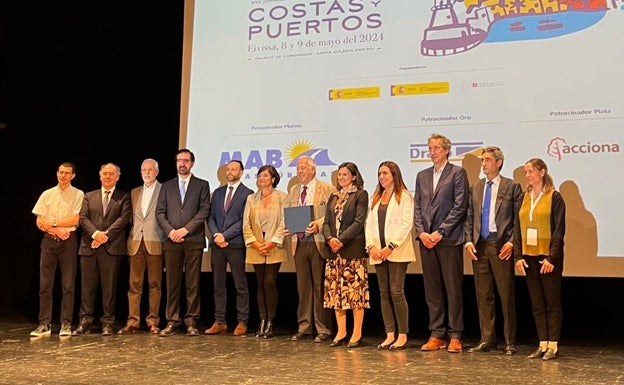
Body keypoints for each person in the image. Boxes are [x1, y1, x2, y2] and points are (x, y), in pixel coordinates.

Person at [414, 133, 469, 353]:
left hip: (449, 240)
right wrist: (421, 233)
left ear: (447, 150)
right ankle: (437, 333)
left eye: (436, 147)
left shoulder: (457, 173)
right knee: (432, 290)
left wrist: (440, 232)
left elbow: (460, 206)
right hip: (426, 241)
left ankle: (455, 335)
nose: (432, 151)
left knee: (453, 288)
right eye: (430, 148)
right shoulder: (422, 175)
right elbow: (417, 206)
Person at [464, 147, 522, 355]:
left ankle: (509, 342)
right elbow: (470, 217)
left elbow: (518, 218)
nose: (484, 164)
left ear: (498, 163)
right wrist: (468, 241)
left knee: (506, 295)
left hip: (501, 245)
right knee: (484, 295)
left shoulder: (512, 186)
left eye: (487, 160)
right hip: (480, 246)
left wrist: (512, 242)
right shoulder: (477, 187)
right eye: (482, 160)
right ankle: (487, 339)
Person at [514, 158, 566, 361]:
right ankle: (542, 343)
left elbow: (559, 230)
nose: (527, 175)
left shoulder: (555, 197)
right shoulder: (524, 197)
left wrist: (552, 257)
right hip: (529, 257)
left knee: (551, 302)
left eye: (530, 171)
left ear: (542, 172)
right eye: (526, 172)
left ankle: (553, 345)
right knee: (537, 303)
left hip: (548, 258)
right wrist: (518, 255)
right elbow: (517, 227)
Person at [156, 149, 211, 337]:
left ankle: (191, 321)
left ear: (192, 163)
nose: (182, 164)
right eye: (179, 160)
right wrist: (171, 231)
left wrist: (185, 230)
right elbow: (160, 213)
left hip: (193, 240)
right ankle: (172, 320)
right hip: (171, 241)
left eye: (186, 161)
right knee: (172, 282)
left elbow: (204, 211)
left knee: (192, 283)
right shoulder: (166, 186)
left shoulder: (202, 185)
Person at [73, 163, 131, 336]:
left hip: (111, 249)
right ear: (100, 176)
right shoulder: (88, 196)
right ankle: (85, 321)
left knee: (109, 288)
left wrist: (106, 235)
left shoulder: (124, 197)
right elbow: (83, 218)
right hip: (89, 248)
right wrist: (96, 234)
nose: (107, 177)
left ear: (117, 177)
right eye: (105, 174)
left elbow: (124, 218)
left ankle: (107, 322)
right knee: (87, 288)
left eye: (111, 174)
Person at [365, 161, 416, 350]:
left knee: (396, 291)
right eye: (379, 174)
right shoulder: (376, 197)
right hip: (377, 252)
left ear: (395, 175)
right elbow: (368, 224)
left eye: (385, 173)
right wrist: (371, 246)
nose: (382, 177)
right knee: (384, 293)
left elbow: (406, 224)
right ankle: (389, 334)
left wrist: (390, 246)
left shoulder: (404, 196)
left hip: (396, 252)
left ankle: (402, 334)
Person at [30, 162, 84, 337]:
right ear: (57, 174)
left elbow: (76, 220)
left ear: (73, 176)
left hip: (68, 242)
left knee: (68, 284)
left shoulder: (78, 194)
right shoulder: (47, 194)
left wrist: (53, 224)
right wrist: (55, 231)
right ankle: (44, 323)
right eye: (61, 172)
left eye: (67, 173)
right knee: (45, 285)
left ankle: (66, 323)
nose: (63, 176)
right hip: (49, 241)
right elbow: (39, 221)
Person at [287, 156, 336, 343]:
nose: (300, 171)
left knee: (319, 287)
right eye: (298, 168)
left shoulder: (327, 189)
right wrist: (286, 227)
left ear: (313, 170)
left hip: (318, 242)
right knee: (303, 287)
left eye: (303, 168)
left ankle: (323, 328)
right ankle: (304, 327)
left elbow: (332, 215)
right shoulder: (293, 190)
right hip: (299, 243)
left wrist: (318, 223)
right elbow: (288, 213)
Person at [322, 162, 369, 348]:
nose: (341, 178)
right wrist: (330, 239)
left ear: (354, 176)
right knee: (337, 294)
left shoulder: (360, 195)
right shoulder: (334, 196)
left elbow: (359, 222)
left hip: (352, 251)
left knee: (355, 294)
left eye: (345, 175)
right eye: (339, 175)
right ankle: (341, 332)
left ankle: (356, 333)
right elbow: (326, 222)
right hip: (334, 254)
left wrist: (340, 239)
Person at [205, 160, 254, 336]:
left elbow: (243, 220)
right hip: (217, 245)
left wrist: (225, 235)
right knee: (218, 285)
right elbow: (210, 217)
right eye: (228, 169)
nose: (230, 172)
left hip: (235, 244)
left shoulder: (248, 193)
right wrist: (217, 235)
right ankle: (220, 321)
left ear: (241, 172)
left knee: (240, 285)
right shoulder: (217, 193)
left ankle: (242, 321)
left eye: (234, 169)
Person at [118, 158, 166, 335]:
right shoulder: (134, 192)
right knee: (134, 284)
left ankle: (153, 321)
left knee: (155, 284)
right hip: (136, 242)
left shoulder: (164, 190)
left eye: (150, 170)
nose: (147, 173)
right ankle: (133, 321)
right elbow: (132, 218)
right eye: (144, 170)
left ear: (157, 172)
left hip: (155, 241)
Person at [242, 165, 289, 338]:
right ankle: (262, 319)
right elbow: (246, 223)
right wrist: (255, 243)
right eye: (259, 175)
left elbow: (284, 222)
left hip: (274, 246)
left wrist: (272, 242)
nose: (262, 178)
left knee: (270, 281)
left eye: (265, 176)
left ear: (273, 179)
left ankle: (271, 320)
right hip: (256, 247)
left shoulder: (282, 197)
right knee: (260, 283)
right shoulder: (251, 198)